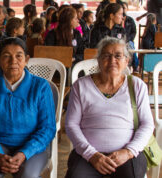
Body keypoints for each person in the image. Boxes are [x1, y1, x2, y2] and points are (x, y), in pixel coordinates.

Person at [65, 37, 154, 178]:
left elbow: (147, 124)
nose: (112, 60)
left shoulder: (136, 85)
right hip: (88, 155)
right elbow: (71, 124)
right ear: (98, 61)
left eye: (118, 56)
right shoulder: (81, 86)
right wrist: (92, 155)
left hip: (127, 155)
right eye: (106, 56)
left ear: (126, 61)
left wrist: (128, 151)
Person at [0, 37, 56, 178]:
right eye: (6, 56)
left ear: (26, 59)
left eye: (19, 56)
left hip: (32, 147)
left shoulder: (40, 87)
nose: (13, 61)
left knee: (28, 176)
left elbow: (48, 128)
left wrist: (25, 153)